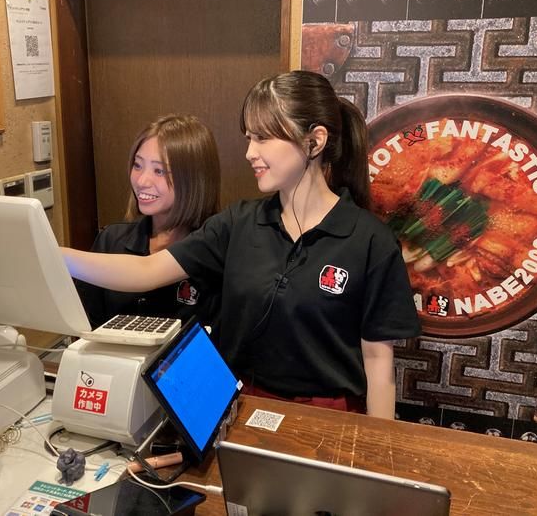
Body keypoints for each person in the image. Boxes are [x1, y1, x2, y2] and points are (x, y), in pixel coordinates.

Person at [64, 71, 421, 419]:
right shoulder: (239, 222)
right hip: (237, 410)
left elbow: (378, 363)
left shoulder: (370, 240)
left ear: (315, 141)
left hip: (327, 419)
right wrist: (53, 256)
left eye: (263, 138)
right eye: (249, 138)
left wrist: (378, 449)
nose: (250, 152)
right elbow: (146, 270)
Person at [74, 114, 221, 330]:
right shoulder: (111, 241)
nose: (142, 181)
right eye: (137, 165)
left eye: (159, 171)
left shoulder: (215, 250)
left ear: (193, 178)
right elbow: (88, 329)